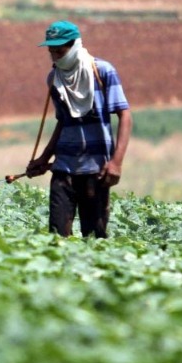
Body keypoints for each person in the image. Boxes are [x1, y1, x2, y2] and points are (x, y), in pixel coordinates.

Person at [25, 20, 132, 238]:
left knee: (94, 237)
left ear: (74, 46)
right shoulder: (54, 79)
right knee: (57, 236)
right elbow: (63, 122)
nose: (55, 57)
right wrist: (44, 159)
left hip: (96, 170)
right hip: (63, 168)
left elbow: (125, 116)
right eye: (51, 52)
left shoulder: (102, 71)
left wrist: (116, 162)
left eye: (60, 51)